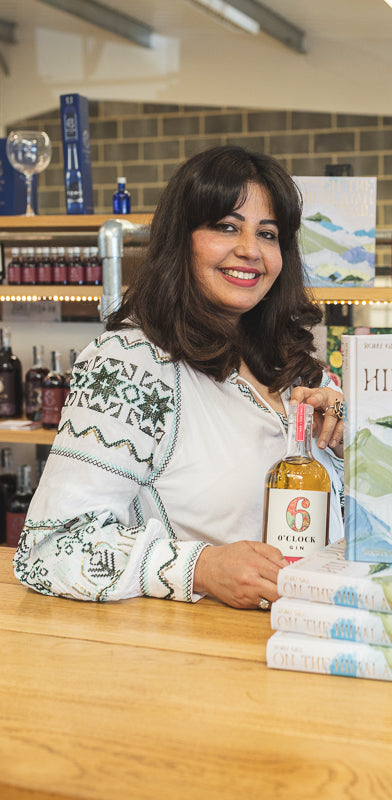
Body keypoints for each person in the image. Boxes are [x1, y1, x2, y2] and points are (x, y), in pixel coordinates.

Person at [13, 145, 345, 610]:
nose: (250, 250)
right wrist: (201, 567)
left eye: (267, 234)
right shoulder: (132, 365)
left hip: (317, 637)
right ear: (180, 238)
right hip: (205, 657)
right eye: (227, 226)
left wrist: (354, 447)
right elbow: (50, 549)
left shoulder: (294, 367)